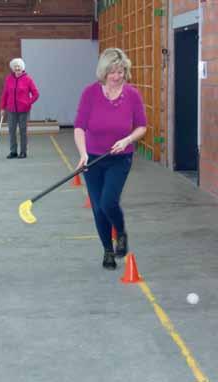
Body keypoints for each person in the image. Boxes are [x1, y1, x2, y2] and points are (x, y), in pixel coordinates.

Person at [74, 48, 147, 270]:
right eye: (113, 72)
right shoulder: (90, 93)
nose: (117, 76)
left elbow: (141, 127)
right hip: (94, 159)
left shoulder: (132, 95)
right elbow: (79, 127)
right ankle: (107, 250)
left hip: (119, 158)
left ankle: (121, 231)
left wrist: (127, 140)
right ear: (103, 72)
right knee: (98, 208)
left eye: (121, 71)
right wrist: (83, 153)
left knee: (108, 202)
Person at [0, 58, 39, 159]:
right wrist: (2, 108)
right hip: (11, 110)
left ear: (22, 68)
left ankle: (23, 152)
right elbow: (5, 94)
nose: (17, 68)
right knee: (11, 131)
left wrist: (28, 102)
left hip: (24, 111)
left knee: (23, 131)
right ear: (13, 68)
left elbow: (36, 94)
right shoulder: (9, 79)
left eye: (19, 66)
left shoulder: (28, 79)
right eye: (15, 66)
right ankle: (13, 151)